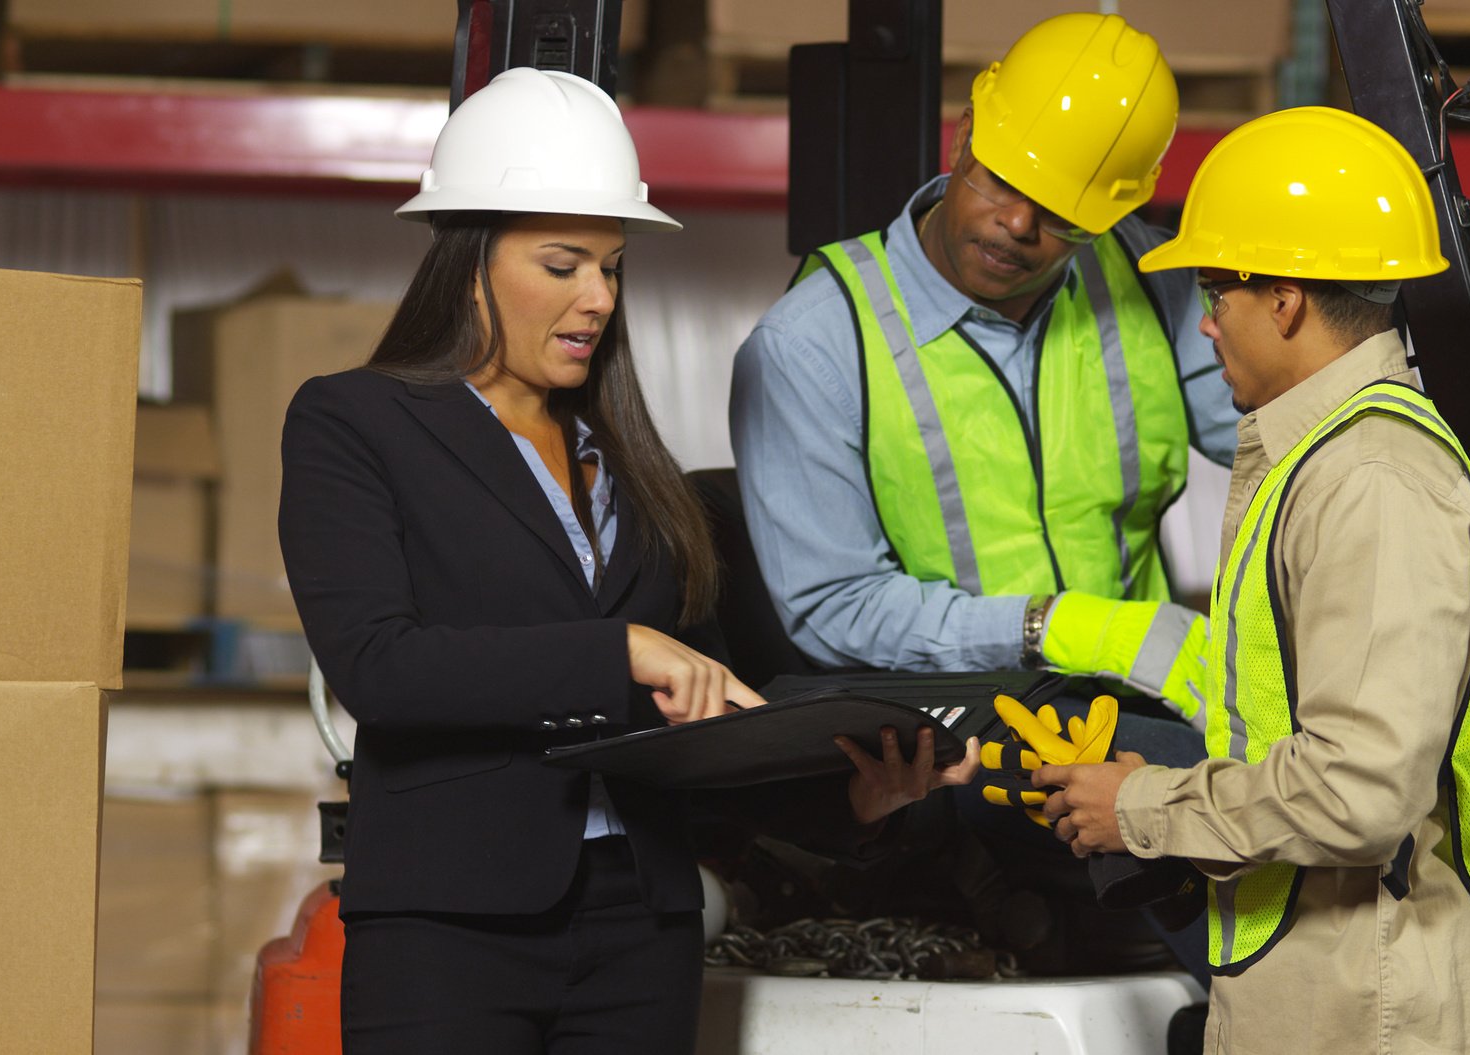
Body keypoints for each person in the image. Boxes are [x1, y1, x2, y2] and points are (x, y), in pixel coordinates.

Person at [277, 67, 975, 1054]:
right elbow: (379, 666)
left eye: (610, 267)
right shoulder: (356, 422)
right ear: (469, 257)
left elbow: (693, 726)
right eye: (563, 265)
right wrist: (619, 650)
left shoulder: (635, 471)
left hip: (639, 925)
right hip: (450, 927)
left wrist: (849, 796)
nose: (597, 297)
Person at [729, 9, 1470, 726]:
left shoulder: (1140, 277)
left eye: (1063, 213)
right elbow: (833, 607)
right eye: (1006, 183)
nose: (1020, 227)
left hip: (1135, 707)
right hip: (942, 731)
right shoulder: (814, 343)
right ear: (964, 137)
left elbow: (1289, 427)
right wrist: (1085, 630)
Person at [1038, 106, 1470, 1054]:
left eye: (1217, 289)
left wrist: (1145, 809)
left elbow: (1363, 787)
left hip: (1375, 996)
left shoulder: (1365, 479)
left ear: (1285, 299)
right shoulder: (1333, 459)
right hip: (1360, 978)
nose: (1207, 323)